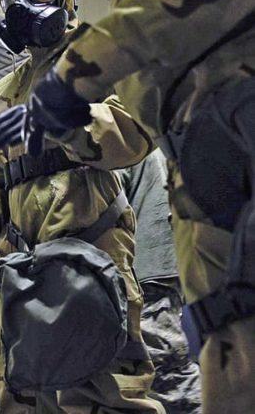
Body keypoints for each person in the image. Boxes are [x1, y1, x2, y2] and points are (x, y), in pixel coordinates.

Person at [0, 0, 255, 413]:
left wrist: (73, 83)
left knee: (107, 387)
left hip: (115, 235)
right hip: (203, 171)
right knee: (230, 359)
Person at [0, 0, 165, 413]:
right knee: (20, 390)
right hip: (22, 263)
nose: (22, 8)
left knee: (103, 390)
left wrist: (65, 118)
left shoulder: (102, 54)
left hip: (90, 249)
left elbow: (134, 134)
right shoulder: (5, 90)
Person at [120, 149, 201, 414]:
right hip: (153, 262)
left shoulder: (121, 140)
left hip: (148, 269)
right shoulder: (142, 138)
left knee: (165, 369)